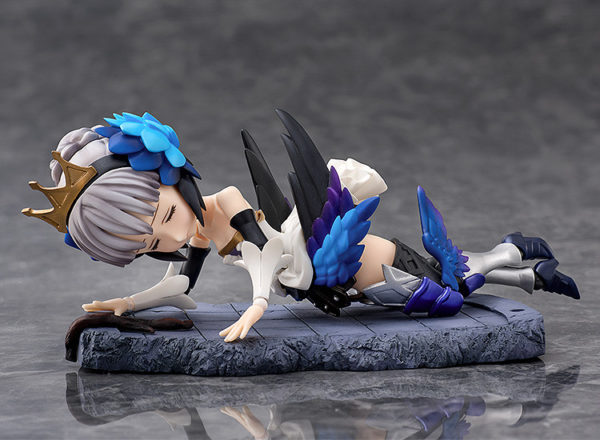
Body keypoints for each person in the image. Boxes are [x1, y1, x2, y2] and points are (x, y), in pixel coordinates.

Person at [22, 111, 579, 343]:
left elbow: (263, 254)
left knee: (449, 288)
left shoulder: (229, 203)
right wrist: (127, 302)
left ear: (175, 177)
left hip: (355, 263)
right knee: (447, 280)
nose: (170, 238)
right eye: (151, 242)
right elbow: (181, 287)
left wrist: (257, 307)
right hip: (330, 283)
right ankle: (519, 265)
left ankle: (516, 259)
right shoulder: (195, 232)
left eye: (165, 217)